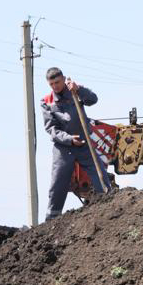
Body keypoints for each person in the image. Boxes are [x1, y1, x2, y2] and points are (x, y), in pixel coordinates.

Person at [42, 67, 108, 219]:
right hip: (63, 147)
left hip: (84, 144)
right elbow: (51, 128)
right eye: (51, 84)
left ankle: (109, 207)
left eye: (57, 82)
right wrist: (69, 139)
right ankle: (51, 220)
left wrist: (79, 90)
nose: (55, 86)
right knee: (57, 184)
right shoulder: (46, 101)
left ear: (64, 79)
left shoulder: (75, 92)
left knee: (100, 176)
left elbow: (93, 99)